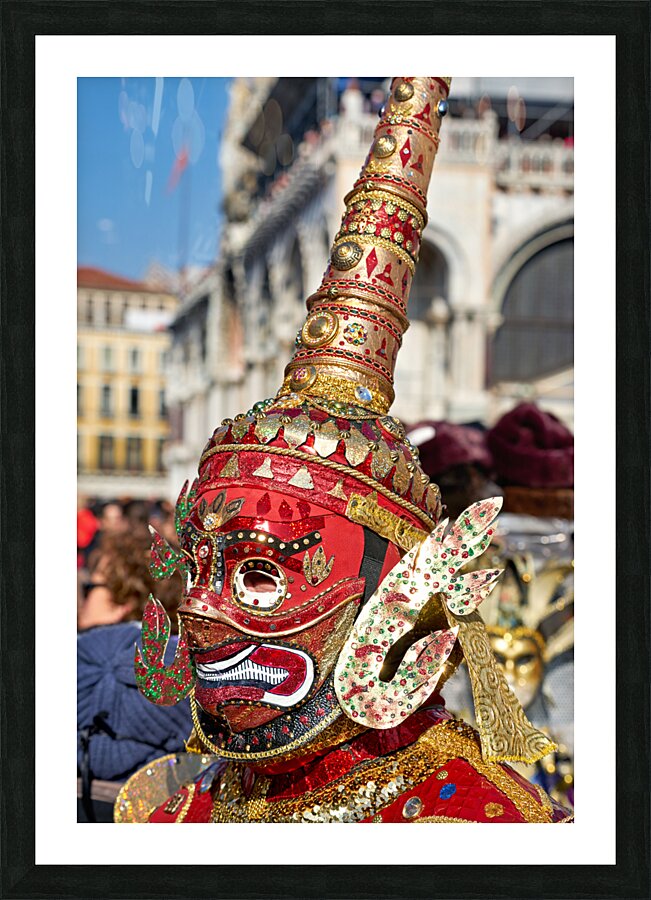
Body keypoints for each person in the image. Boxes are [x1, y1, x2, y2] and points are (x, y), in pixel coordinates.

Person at [116, 77, 571, 824]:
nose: (197, 608)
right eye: (199, 569)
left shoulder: (469, 821)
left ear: (389, 599)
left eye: (259, 574)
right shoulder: (180, 809)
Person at [77, 530, 191, 821]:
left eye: (90, 587)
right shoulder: (188, 665)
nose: (82, 597)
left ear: (121, 602)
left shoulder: (82, 660)